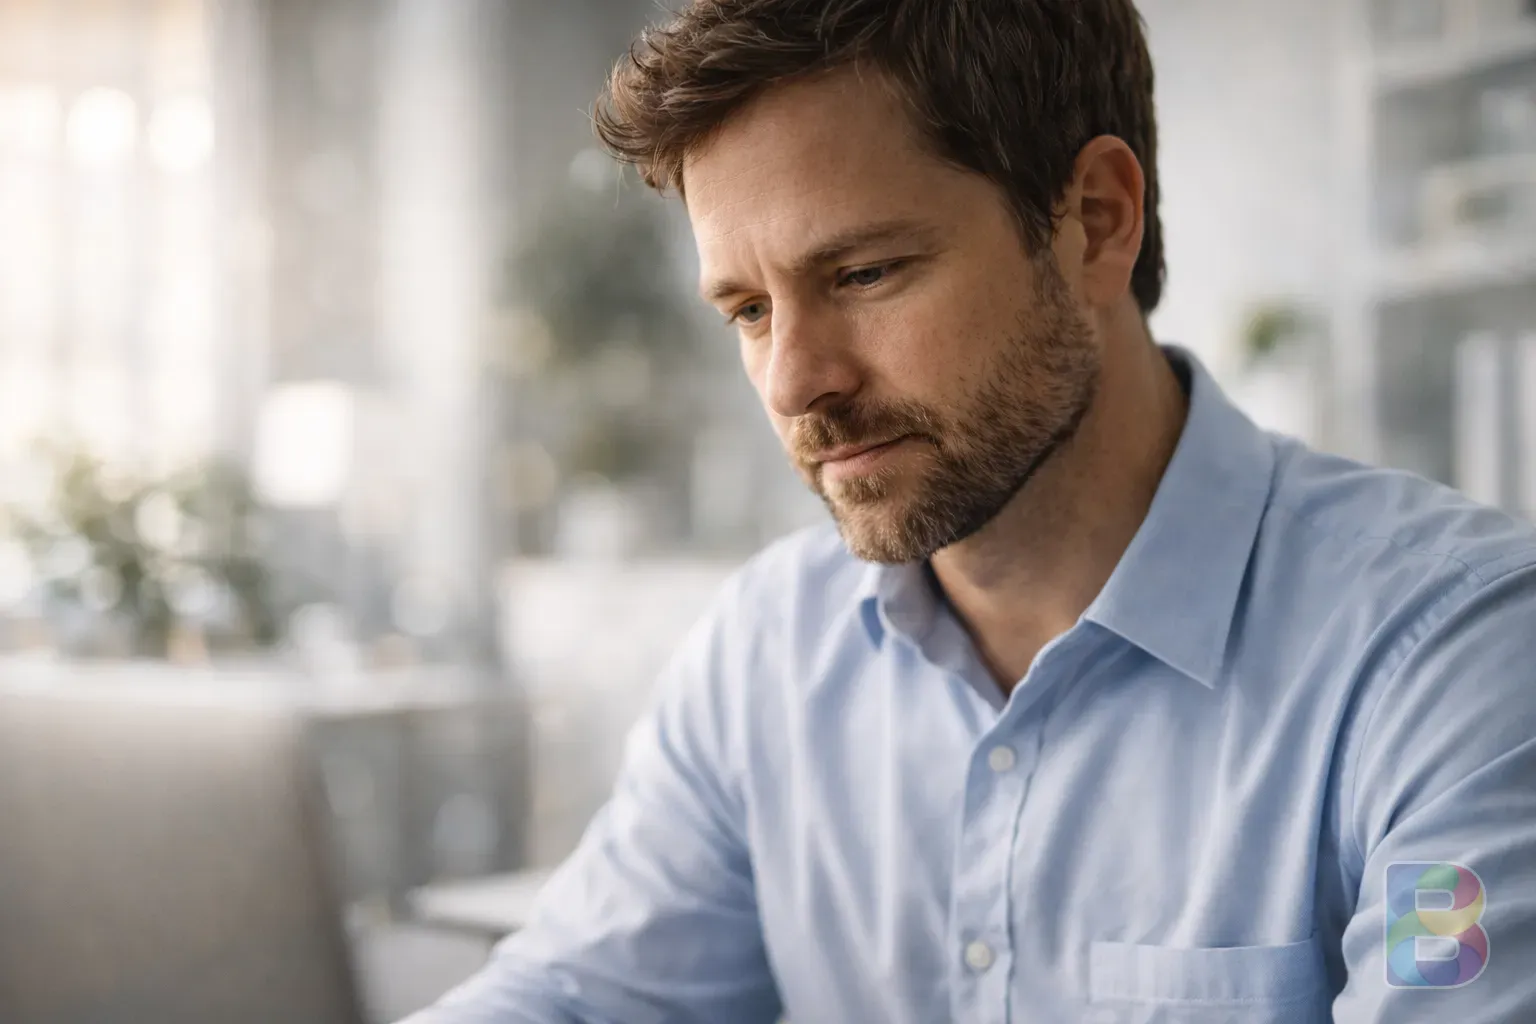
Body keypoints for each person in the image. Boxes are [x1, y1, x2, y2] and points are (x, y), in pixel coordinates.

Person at [406, 1, 1536, 1021]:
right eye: (749, 310)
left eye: (864, 274)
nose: (796, 381)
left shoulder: (1452, 656)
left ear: (1095, 219)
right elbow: (570, 993)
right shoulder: (768, 658)